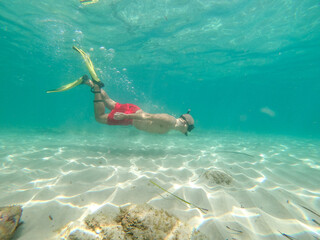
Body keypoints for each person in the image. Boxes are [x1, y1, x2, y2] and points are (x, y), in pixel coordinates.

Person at [46, 46, 195, 135]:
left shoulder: (171, 125)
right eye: (187, 130)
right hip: (130, 116)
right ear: (184, 123)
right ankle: (96, 87)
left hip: (132, 112)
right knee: (99, 117)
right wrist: (125, 115)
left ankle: (88, 82)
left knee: (110, 102)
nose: (185, 133)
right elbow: (147, 116)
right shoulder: (170, 121)